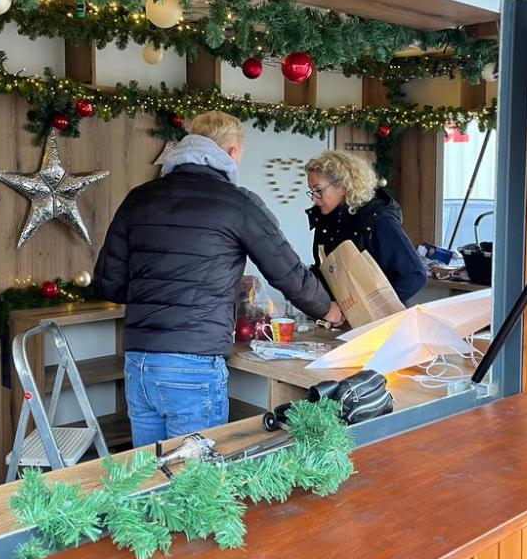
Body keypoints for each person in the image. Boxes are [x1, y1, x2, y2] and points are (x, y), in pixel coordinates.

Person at [94, 111, 344, 447]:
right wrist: (328, 310)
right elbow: (286, 270)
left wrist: (157, 290)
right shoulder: (237, 202)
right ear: (232, 152)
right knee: (199, 477)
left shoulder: (139, 198)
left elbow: (108, 283)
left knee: (148, 473)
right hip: (194, 364)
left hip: (139, 362)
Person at [305, 150, 427, 304]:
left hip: (383, 317)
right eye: (311, 191)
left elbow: (414, 275)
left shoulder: (378, 220)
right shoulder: (324, 221)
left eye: (318, 190)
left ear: (343, 185)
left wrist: (371, 307)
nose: (314, 198)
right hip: (341, 315)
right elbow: (325, 272)